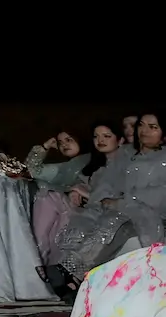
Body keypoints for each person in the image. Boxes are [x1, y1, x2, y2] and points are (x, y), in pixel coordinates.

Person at [44, 112, 165, 296]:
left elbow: (159, 195)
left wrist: (124, 202)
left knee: (113, 221)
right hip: (124, 210)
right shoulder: (126, 155)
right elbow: (108, 184)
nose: (145, 131)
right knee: (89, 218)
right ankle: (74, 280)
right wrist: (98, 199)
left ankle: (71, 272)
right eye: (142, 125)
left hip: (152, 215)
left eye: (153, 127)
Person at [23, 128, 96, 265]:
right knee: (47, 196)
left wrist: (79, 191)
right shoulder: (65, 168)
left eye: (69, 140)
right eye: (60, 142)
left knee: (47, 198)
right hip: (66, 211)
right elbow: (31, 169)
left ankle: (35, 264)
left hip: (88, 214)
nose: (64, 145)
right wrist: (45, 147)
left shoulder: (95, 160)